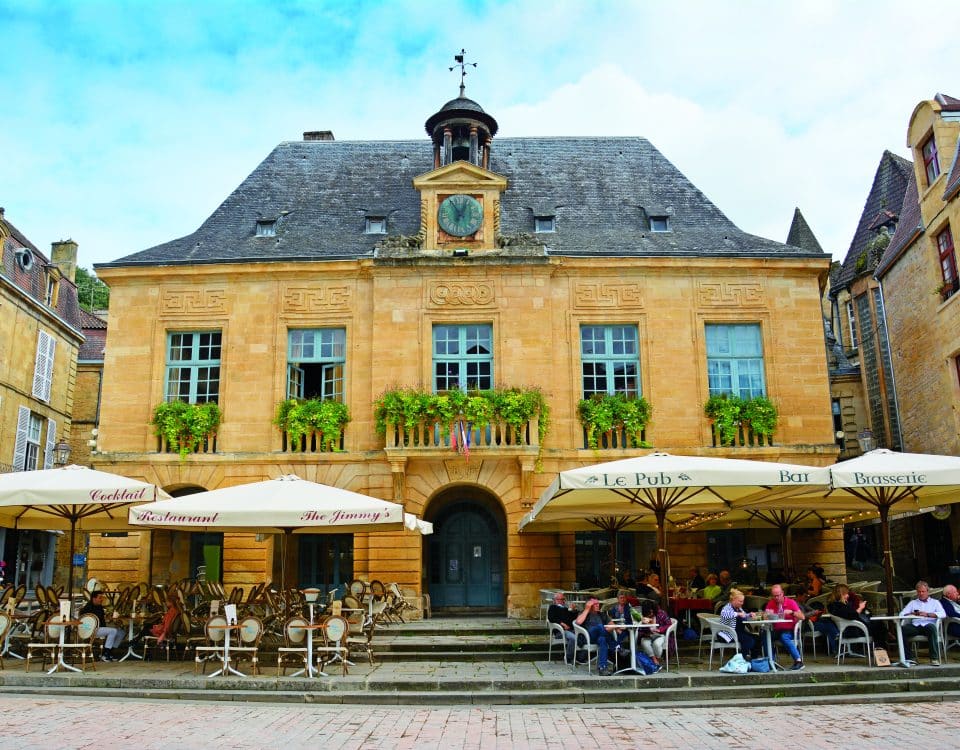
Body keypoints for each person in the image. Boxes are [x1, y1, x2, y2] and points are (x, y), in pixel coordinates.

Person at [899, 580, 946, 666]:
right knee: (901, 630)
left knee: (931, 628)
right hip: (916, 625)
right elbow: (901, 614)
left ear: (928, 592)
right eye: (919, 592)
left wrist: (927, 614)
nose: (921, 593)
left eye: (923, 591)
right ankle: (909, 658)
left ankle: (934, 658)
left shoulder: (935, 602)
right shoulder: (913, 603)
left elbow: (943, 614)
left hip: (928, 624)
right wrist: (912, 613)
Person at [574, 597, 621, 676]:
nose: (597, 605)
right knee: (599, 626)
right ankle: (615, 645)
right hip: (588, 638)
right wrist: (587, 609)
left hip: (600, 638)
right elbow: (578, 622)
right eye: (594, 604)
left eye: (598, 603)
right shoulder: (583, 613)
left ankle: (602, 668)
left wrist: (612, 628)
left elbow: (612, 625)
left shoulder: (602, 615)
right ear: (589, 605)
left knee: (602, 639)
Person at [764, 584, 805, 670]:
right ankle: (771, 661)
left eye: (778, 595)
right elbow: (765, 616)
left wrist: (792, 612)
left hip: (790, 630)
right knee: (765, 636)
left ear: (782, 593)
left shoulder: (791, 602)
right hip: (776, 630)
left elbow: (802, 617)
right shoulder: (771, 603)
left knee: (784, 636)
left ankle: (798, 661)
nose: (776, 598)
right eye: (774, 596)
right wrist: (767, 615)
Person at [80, 590, 125, 661]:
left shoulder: (99, 607)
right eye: (100, 597)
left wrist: (109, 617)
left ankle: (110, 652)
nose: (102, 599)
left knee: (121, 632)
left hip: (100, 628)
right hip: (91, 630)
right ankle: (105, 655)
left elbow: (101, 618)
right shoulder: (87, 608)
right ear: (94, 598)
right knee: (113, 631)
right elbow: (83, 622)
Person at [719, 588, 762, 660]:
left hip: (738, 632)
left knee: (757, 638)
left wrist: (750, 615)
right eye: (740, 601)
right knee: (749, 640)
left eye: (742, 601)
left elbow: (744, 615)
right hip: (728, 634)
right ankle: (742, 659)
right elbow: (724, 614)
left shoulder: (739, 608)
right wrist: (738, 614)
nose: (742, 603)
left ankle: (754, 659)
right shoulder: (727, 607)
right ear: (733, 600)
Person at [547, 591, 581, 664]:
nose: (563, 601)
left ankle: (581, 657)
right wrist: (562, 624)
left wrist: (573, 610)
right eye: (561, 599)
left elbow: (573, 619)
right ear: (556, 600)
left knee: (583, 636)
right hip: (560, 631)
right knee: (573, 638)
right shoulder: (553, 607)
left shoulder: (566, 609)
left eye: (563, 599)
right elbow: (551, 618)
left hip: (571, 630)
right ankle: (569, 658)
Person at [639, 599, 670, 671]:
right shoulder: (643, 617)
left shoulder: (661, 614)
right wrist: (643, 624)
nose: (650, 614)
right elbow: (639, 630)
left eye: (652, 612)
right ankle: (655, 661)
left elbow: (669, 624)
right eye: (648, 612)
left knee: (656, 644)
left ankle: (656, 660)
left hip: (660, 634)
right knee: (644, 642)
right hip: (648, 635)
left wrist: (660, 629)